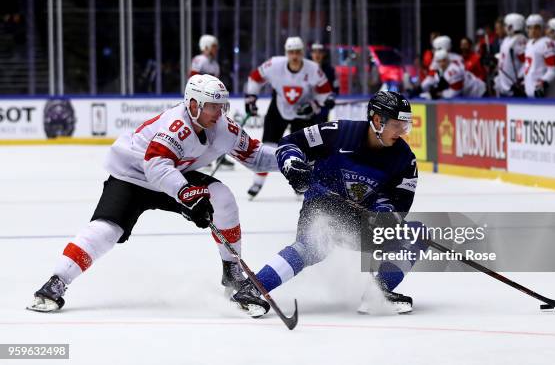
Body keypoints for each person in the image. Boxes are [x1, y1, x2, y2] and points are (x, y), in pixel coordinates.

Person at [28, 74, 278, 313]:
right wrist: (187, 194)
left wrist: (290, 159)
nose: (219, 112)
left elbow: (256, 156)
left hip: (173, 174)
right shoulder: (176, 125)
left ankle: (232, 270)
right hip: (133, 175)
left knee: (222, 198)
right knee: (106, 230)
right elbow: (155, 164)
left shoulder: (223, 127)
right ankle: (57, 281)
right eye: (212, 106)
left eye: (221, 106)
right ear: (193, 104)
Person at [231, 91, 423, 316]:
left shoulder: (404, 158)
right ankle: (250, 290)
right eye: (398, 125)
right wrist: (293, 164)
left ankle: (378, 293)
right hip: (321, 208)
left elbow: (399, 202)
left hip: (362, 220)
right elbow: (289, 144)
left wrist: (383, 215)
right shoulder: (339, 132)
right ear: (378, 121)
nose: (402, 132)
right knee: (315, 244)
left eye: (405, 126)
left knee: (416, 232)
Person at [244, 36, 334, 199]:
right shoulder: (274, 64)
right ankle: (257, 182)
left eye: (298, 52)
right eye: (291, 52)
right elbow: (255, 78)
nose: (294, 56)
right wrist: (251, 97)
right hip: (278, 109)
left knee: (304, 150)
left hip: (303, 112)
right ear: (286, 53)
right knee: (268, 146)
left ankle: (301, 183)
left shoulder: (312, 68)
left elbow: (325, 94)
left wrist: (318, 104)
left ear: (302, 53)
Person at [189, 34, 234, 170]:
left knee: (217, 127)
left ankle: (218, 156)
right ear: (206, 46)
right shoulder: (199, 60)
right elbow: (192, 79)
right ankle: (200, 156)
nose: (216, 49)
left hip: (211, 103)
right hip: (201, 102)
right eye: (214, 46)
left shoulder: (214, 64)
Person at [524, 14, 555, 98]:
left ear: (542, 28)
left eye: (536, 27)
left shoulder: (548, 43)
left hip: (546, 95)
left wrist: (543, 83)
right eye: (530, 27)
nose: (533, 30)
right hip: (530, 92)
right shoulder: (529, 43)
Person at [494, 13, 528, 97]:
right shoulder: (507, 39)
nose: (505, 27)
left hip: (513, 87)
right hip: (504, 85)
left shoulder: (520, 39)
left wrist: (521, 79)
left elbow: (526, 62)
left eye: (506, 25)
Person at [310, 42, 338, 124]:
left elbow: (335, 88)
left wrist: (331, 98)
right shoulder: (304, 69)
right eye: (315, 52)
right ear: (311, 54)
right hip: (308, 107)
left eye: (320, 52)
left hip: (323, 107)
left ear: (324, 54)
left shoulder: (330, 70)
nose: (317, 54)